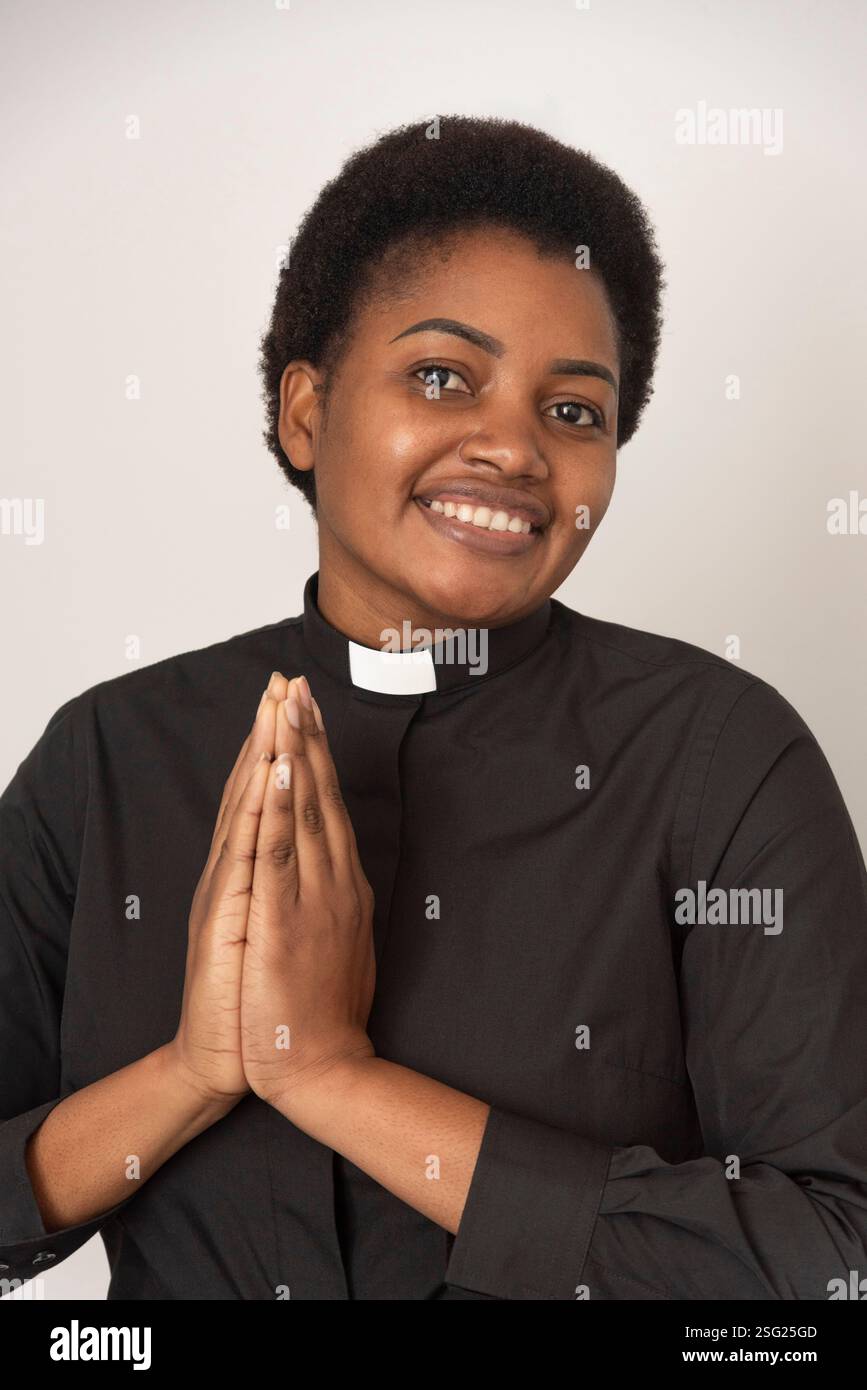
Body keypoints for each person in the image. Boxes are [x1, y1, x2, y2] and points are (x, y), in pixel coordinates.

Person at [1, 115, 865, 1302]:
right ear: (306, 413)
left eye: (574, 412)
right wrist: (195, 1071)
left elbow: (832, 1260)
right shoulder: (104, 757)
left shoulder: (721, 761)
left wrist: (335, 1080)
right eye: (443, 376)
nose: (513, 448)